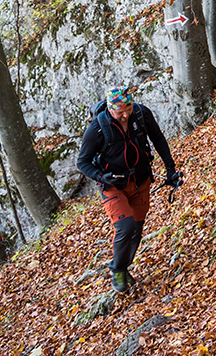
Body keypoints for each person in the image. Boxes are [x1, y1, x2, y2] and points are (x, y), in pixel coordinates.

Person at [76, 87, 181, 293]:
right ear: (109, 109)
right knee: (125, 226)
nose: (125, 115)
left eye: (128, 109)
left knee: (136, 229)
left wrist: (170, 168)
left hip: (140, 180)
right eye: (119, 112)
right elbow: (83, 162)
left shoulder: (141, 114)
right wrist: (100, 177)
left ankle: (124, 266)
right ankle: (117, 269)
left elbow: (158, 139)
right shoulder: (97, 128)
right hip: (112, 184)